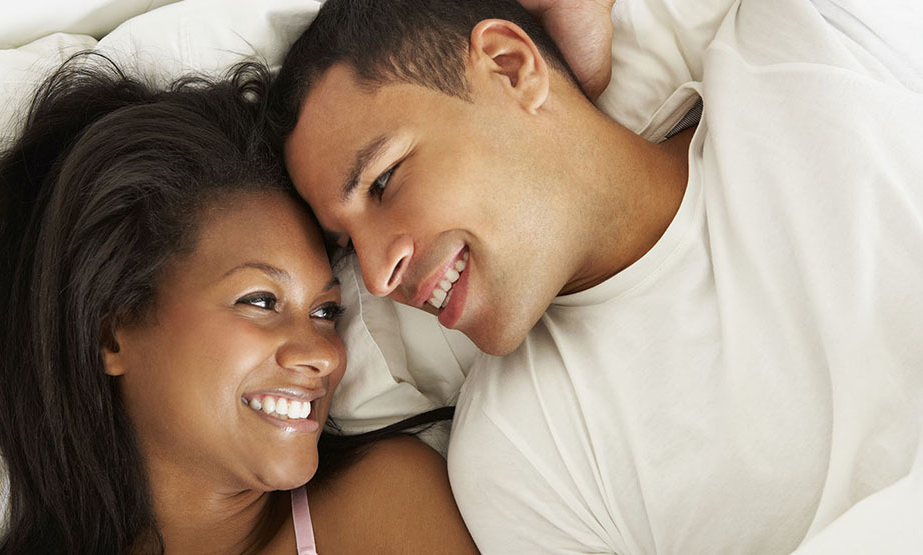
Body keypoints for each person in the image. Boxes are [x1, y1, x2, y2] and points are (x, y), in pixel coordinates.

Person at [271, 0, 923, 553]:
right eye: (348, 245)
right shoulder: (524, 457)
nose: (381, 277)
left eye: (384, 181)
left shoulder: (816, 42)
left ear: (510, 65)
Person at [0, 54, 477, 554]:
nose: (324, 355)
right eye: (260, 300)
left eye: (325, 312)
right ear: (111, 333)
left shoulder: (381, 505)